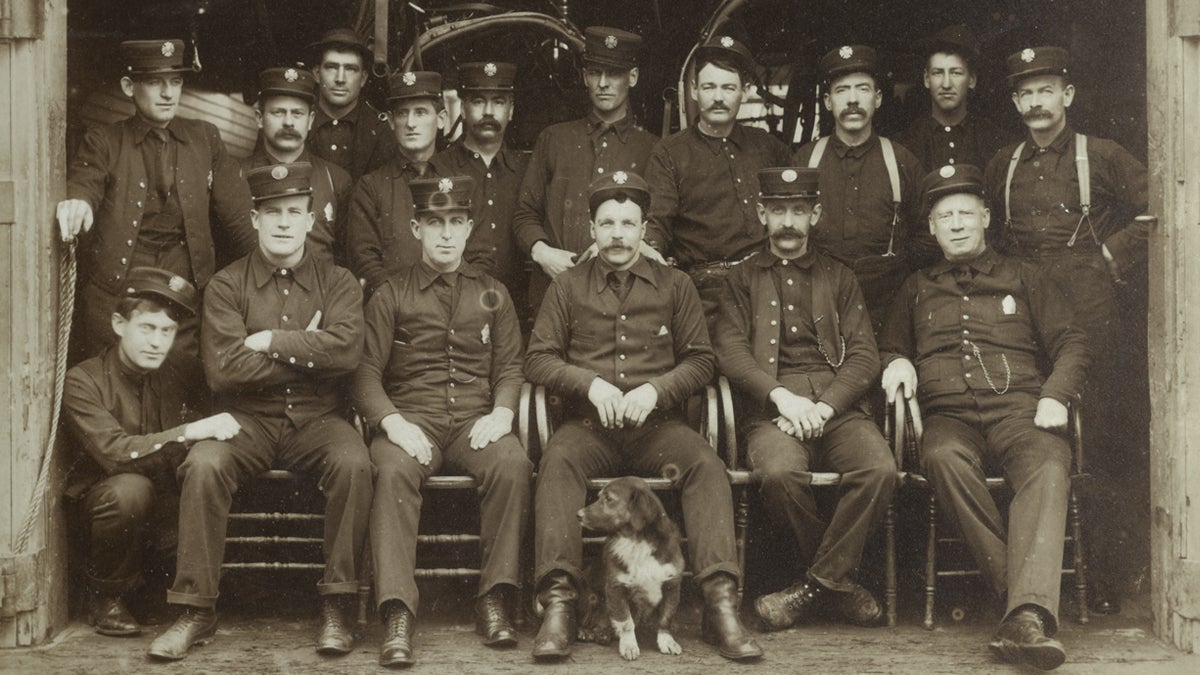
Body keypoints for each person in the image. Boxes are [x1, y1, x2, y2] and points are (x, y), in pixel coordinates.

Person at [525, 171, 762, 662]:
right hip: (587, 429)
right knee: (556, 464)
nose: (617, 234)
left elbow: (702, 360)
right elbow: (538, 359)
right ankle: (560, 605)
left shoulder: (676, 285)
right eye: (607, 223)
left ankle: (720, 604)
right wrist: (589, 384)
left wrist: (657, 390)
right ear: (591, 228)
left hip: (659, 430)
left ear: (644, 229)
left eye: (628, 223)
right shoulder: (567, 287)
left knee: (706, 466)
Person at [147, 162, 373, 661]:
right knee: (204, 464)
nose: (284, 223)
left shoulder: (338, 283)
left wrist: (271, 340)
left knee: (354, 463)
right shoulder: (227, 285)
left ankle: (338, 605)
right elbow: (223, 370)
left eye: (294, 212)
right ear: (254, 219)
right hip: (244, 421)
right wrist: (310, 351)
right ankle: (195, 610)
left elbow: (346, 353)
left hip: (318, 421)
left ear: (311, 220)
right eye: (273, 213)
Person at [878, 163, 1088, 671]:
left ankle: (1023, 614)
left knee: (1050, 465)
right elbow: (888, 345)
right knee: (942, 460)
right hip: (948, 418)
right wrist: (897, 361)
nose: (956, 225)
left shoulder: (1025, 276)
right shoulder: (915, 286)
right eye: (945, 217)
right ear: (931, 228)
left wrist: (1056, 394)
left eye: (966, 214)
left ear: (986, 218)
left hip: (1021, 413)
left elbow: (1073, 341)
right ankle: (1025, 608)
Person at [983, 46, 1151, 613]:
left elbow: (1157, 207)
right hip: (1025, 309)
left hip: (1088, 305)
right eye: (1026, 93)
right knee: (1029, 426)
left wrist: (1109, 254)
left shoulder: (1101, 155)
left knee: (1097, 437)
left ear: (1067, 95)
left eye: (1046, 91)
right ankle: (1028, 579)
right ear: (1015, 102)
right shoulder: (1003, 163)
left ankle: (1106, 580)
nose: (1037, 102)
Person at [354, 175, 531, 667]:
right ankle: (397, 611)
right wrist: (392, 422)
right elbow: (365, 374)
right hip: (413, 421)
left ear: (470, 227)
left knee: (512, 464)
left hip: (475, 421)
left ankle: (494, 599)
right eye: (435, 223)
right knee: (391, 470)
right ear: (416, 228)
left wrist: (503, 410)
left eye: (456, 222)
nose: (447, 234)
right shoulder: (391, 294)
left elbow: (510, 365)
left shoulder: (493, 293)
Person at [713, 167, 897, 630]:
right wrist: (782, 398)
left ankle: (810, 589)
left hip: (838, 407)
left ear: (814, 215)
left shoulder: (840, 276)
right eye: (778, 211)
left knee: (879, 470)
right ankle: (839, 586)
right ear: (761, 214)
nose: (788, 222)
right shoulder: (741, 278)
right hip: (771, 411)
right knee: (779, 474)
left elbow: (864, 355)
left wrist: (825, 406)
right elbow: (730, 351)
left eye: (798, 210)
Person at [63, 268, 239, 637]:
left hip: (162, 512)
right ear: (119, 324)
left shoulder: (181, 372)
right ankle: (107, 597)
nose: (157, 342)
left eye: (167, 331)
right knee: (130, 489)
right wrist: (187, 432)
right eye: (146, 328)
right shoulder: (84, 380)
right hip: (105, 515)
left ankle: (160, 591)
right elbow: (113, 453)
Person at [56, 39, 253, 360]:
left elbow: (240, 216)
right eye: (154, 82)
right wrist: (79, 201)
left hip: (185, 290)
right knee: (112, 379)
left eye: (175, 82)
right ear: (128, 87)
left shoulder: (205, 137)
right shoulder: (104, 140)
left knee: (179, 378)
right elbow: (85, 182)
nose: (168, 93)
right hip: (117, 291)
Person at [513, 26, 659, 315]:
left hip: (625, 301)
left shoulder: (653, 149)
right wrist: (544, 253)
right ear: (584, 77)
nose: (603, 83)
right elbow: (524, 214)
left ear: (632, 77)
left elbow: (656, 224)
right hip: (554, 294)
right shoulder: (554, 139)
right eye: (595, 73)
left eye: (613, 73)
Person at [645, 35, 792, 321]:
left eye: (728, 88)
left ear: (745, 92)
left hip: (769, 283)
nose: (718, 98)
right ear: (694, 90)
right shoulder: (670, 153)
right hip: (704, 293)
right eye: (709, 87)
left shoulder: (768, 147)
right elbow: (656, 224)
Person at [793, 45, 929, 333]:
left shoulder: (903, 162)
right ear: (828, 102)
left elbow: (927, 237)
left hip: (887, 310)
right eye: (842, 90)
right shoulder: (805, 161)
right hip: (816, 307)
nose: (852, 99)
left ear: (877, 98)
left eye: (862, 89)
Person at [432, 62, 530, 319]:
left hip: (519, 310)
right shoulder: (439, 168)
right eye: (478, 101)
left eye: (498, 102)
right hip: (455, 309)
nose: (488, 111)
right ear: (463, 108)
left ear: (511, 110)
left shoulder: (527, 169)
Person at [346, 70, 447, 297]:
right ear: (391, 121)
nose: (410, 123)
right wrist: (402, 303)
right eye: (402, 114)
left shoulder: (459, 180)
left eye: (420, 112)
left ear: (441, 119)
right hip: (392, 309)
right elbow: (364, 260)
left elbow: (477, 254)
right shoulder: (370, 187)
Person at [242, 66, 352, 266]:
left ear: (310, 120)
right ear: (259, 118)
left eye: (298, 113)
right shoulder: (236, 175)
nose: (288, 122)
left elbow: (344, 257)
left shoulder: (336, 180)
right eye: (278, 112)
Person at [895, 25, 1010, 173]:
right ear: (926, 79)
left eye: (956, 73)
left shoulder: (996, 140)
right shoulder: (904, 144)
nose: (946, 84)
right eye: (938, 73)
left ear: (972, 80)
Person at [306, 28, 397, 182]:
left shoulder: (380, 130)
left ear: (363, 79)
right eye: (332, 67)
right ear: (316, 74)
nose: (340, 79)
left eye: (350, 69)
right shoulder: (296, 120)